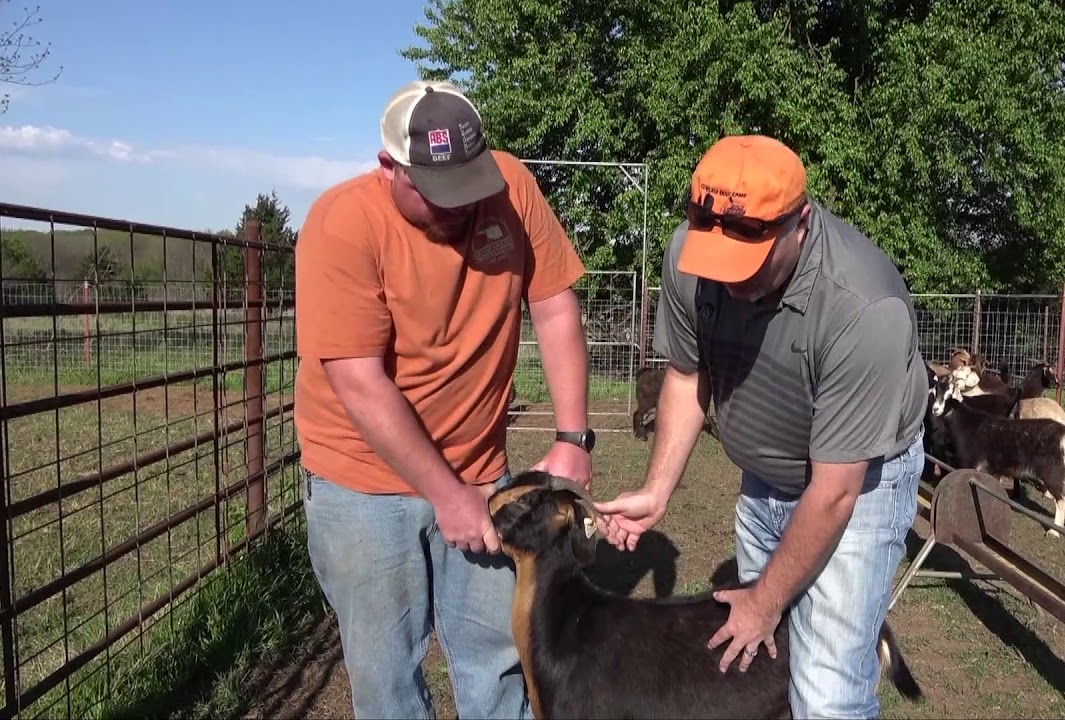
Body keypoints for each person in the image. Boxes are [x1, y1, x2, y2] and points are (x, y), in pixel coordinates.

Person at [595, 134, 928, 719]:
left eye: (746, 261)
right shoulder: (688, 258)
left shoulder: (862, 306)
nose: (727, 279)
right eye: (714, 257)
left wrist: (763, 600)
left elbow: (835, 491)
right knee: (765, 670)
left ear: (800, 222)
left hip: (855, 484)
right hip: (766, 475)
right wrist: (657, 488)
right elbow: (685, 374)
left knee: (826, 690)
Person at [293, 79, 595, 720]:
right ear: (388, 169)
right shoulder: (342, 224)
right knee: (386, 675)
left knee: (496, 657)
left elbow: (553, 305)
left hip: (481, 468)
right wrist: (445, 492)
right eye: (438, 193)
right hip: (363, 481)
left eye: (469, 185)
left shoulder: (512, 191)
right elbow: (357, 379)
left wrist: (572, 437)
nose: (459, 208)